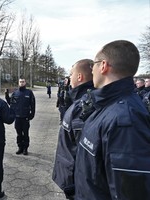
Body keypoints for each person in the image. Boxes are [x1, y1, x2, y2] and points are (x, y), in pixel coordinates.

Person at [74, 40, 150, 199]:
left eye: (93, 65)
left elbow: (130, 193)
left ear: (103, 66)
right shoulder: (106, 105)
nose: (91, 71)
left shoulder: (125, 120)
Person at [52, 59, 94, 200]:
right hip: (73, 181)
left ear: (79, 77)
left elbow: (83, 150)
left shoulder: (86, 105)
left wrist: (73, 184)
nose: (69, 78)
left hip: (78, 185)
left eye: (71, 74)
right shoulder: (78, 100)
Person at [5, 77, 35, 155]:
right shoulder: (15, 93)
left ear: (25, 83)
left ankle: (25, 148)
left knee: (25, 133)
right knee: (19, 134)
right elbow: (10, 103)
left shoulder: (29, 92)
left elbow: (32, 104)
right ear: (18, 83)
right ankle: (20, 147)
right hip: (17, 117)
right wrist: (6, 95)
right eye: (20, 82)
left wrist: (32, 114)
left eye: (23, 82)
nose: (21, 83)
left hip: (25, 117)